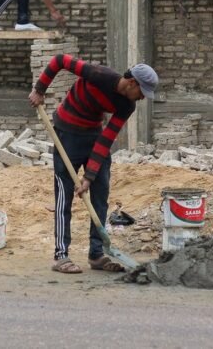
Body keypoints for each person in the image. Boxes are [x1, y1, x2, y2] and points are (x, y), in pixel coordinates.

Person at [28, 55, 159, 274]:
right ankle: (61, 256)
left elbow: (107, 138)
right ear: (132, 83)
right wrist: (39, 89)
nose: (142, 98)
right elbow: (59, 60)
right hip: (66, 134)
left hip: (93, 135)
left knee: (100, 193)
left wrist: (89, 176)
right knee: (64, 194)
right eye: (142, 92)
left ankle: (96, 254)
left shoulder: (128, 105)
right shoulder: (98, 74)